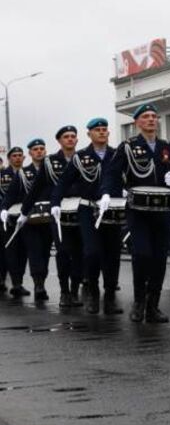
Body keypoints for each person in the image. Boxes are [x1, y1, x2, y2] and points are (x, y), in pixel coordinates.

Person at [101, 103, 170, 323]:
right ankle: (139, 301)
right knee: (142, 254)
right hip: (138, 211)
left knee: (159, 258)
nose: (151, 120)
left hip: (163, 210)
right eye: (146, 116)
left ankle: (153, 305)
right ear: (137, 122)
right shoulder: (128, 146)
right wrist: (107, 194)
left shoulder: (167, 147)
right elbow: (112, 173)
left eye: (154, 116)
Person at [51, 119, 122, 315]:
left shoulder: (117, 154)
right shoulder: (80, 157)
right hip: (88, 210)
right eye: (97, 130)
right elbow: (63, 182)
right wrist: (55, 202)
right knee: (91, 252)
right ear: (89, 134)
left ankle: (109, 296)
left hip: (111, 210)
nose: (102, 132)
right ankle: (92, 291)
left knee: (113, 253)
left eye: (104, 129)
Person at [41, 126, 85, 308]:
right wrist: (24, 211)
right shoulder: (50, 161)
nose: (70, 139)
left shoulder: (84, 158)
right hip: (59, 213)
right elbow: (38, 186)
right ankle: (64, 292)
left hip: (81, 211)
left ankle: (75, 290)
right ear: (59, 141)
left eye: (73, 136)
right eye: (66, 137)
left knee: (80, 253)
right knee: (63, 252)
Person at [5, 138, 53, 302]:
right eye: (35, 149)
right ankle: (38, 285)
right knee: (34, 251)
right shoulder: (23, 173)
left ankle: (42, 281)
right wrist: (3, 209)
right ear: (30, 153)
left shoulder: (54, 169)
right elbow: (10, 195)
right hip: (30, 220)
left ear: (45, 151)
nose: (39, 151)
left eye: (41, 148)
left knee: (45, 252)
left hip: (49, 219)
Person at [1, 147, 29, 297]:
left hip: (23, 216)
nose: (17, 158)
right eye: (14, 156)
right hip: (6, 217)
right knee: (9, 250)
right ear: (9, 158)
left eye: (20, 155)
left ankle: (19, 281)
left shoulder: (28, 174)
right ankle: (15, 283)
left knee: (23, 251)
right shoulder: (3, 176)